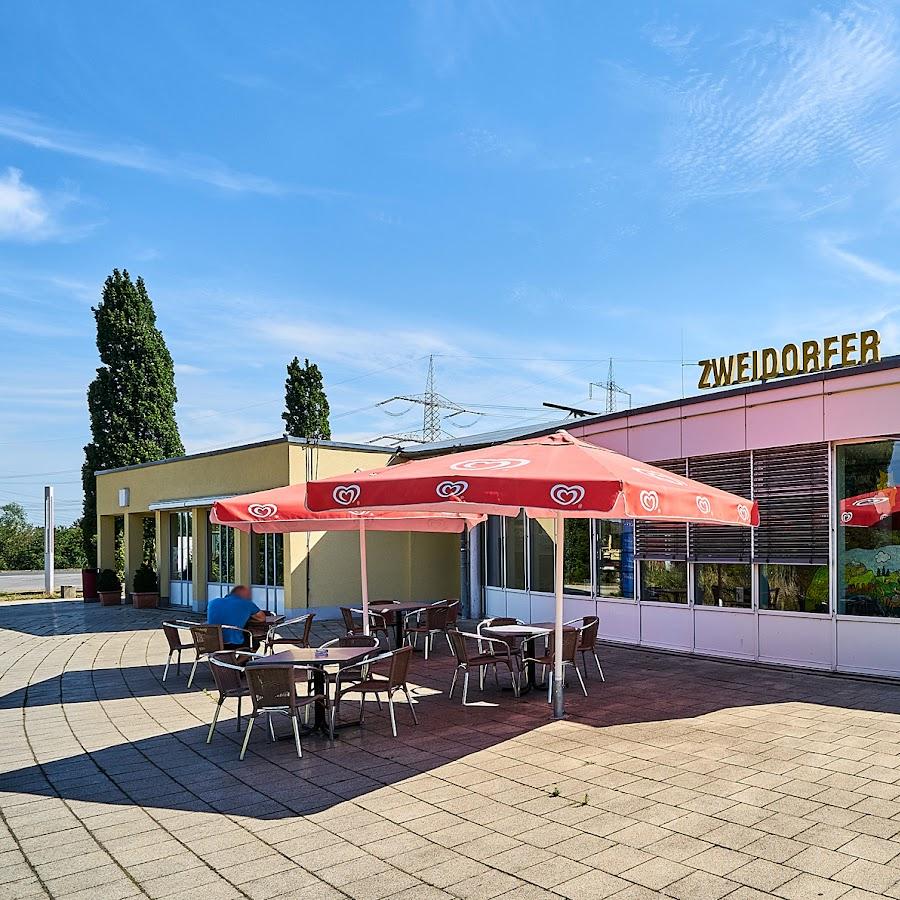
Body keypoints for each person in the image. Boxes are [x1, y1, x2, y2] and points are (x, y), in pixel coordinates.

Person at [207, 585, 267, 650]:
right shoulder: (247, 603)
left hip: (212, 642)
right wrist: (247, 620)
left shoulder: (212, 602)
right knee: (255, 643)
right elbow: (262, 618)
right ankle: (242, 657)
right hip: (233, 643)